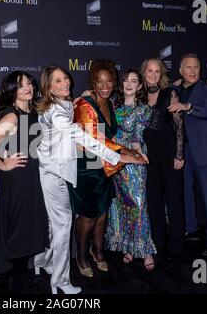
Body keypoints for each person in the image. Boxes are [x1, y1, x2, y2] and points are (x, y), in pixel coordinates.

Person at [34, 65, 146, 294]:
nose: (64, 83)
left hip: (66, 169)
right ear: (48, 86)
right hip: (56, 173)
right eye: (57, 81)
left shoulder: (66, 103)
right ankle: (59, 281)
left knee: (58, 226)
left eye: (65, 78)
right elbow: (87, 139)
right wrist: (119, 156)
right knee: (63, 226)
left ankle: (43, 262)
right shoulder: (57, 111)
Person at [0, 71, 48, 292]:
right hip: (18, 180)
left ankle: (20, 276)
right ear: (12, 91)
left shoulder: (33, 110)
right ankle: (16, 281)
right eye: (20, 86)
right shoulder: (12, 116)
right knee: (19, 230)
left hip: (32, 178)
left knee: (28, 229)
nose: (27, 87)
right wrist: (3, 164)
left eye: (29, 83)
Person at [69, 59, 130, 278]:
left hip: (105, 165)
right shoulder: (86, 103)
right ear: (93, 83)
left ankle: (98, 252)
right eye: (99, 81)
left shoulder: (111, 103)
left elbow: (109, 137)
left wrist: (123, 153)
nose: (105, 85)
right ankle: (81, 256)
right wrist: (128, 154)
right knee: (89, 215)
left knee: (103, 212)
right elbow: (94, 141)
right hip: (86, 166)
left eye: (109, 81)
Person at [168, 53, 207, 256]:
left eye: (196, 67)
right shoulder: (174, 89)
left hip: (204, 150)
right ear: (181, 71)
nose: (192, 71)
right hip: (182, 151)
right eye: (188, 67)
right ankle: (191, 229)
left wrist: (187, 106)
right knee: (185, 192)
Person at [105, 69, 156, 271]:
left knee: (139, 204)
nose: (129, 84)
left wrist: (138, 155)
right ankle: (128, 247)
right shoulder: (111, 105)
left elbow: (136, 137)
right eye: (126, 80)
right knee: (121, 206)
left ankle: (145, 250)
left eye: (134, 81)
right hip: (113, 160)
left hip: (132, 160)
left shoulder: (143, 109)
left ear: (140, 86)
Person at [140, 58, 185, 260]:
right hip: (149, 158)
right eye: (150, 71)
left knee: (175, 200)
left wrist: (179, 154)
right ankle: (158, 243)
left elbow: (178, 126)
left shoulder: (170, 93)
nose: (153, 75)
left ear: (162, 74)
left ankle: (176, 245)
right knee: (154, 202)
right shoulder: (139, 96)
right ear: (144, 72)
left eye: (157, 71)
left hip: (169, 154)